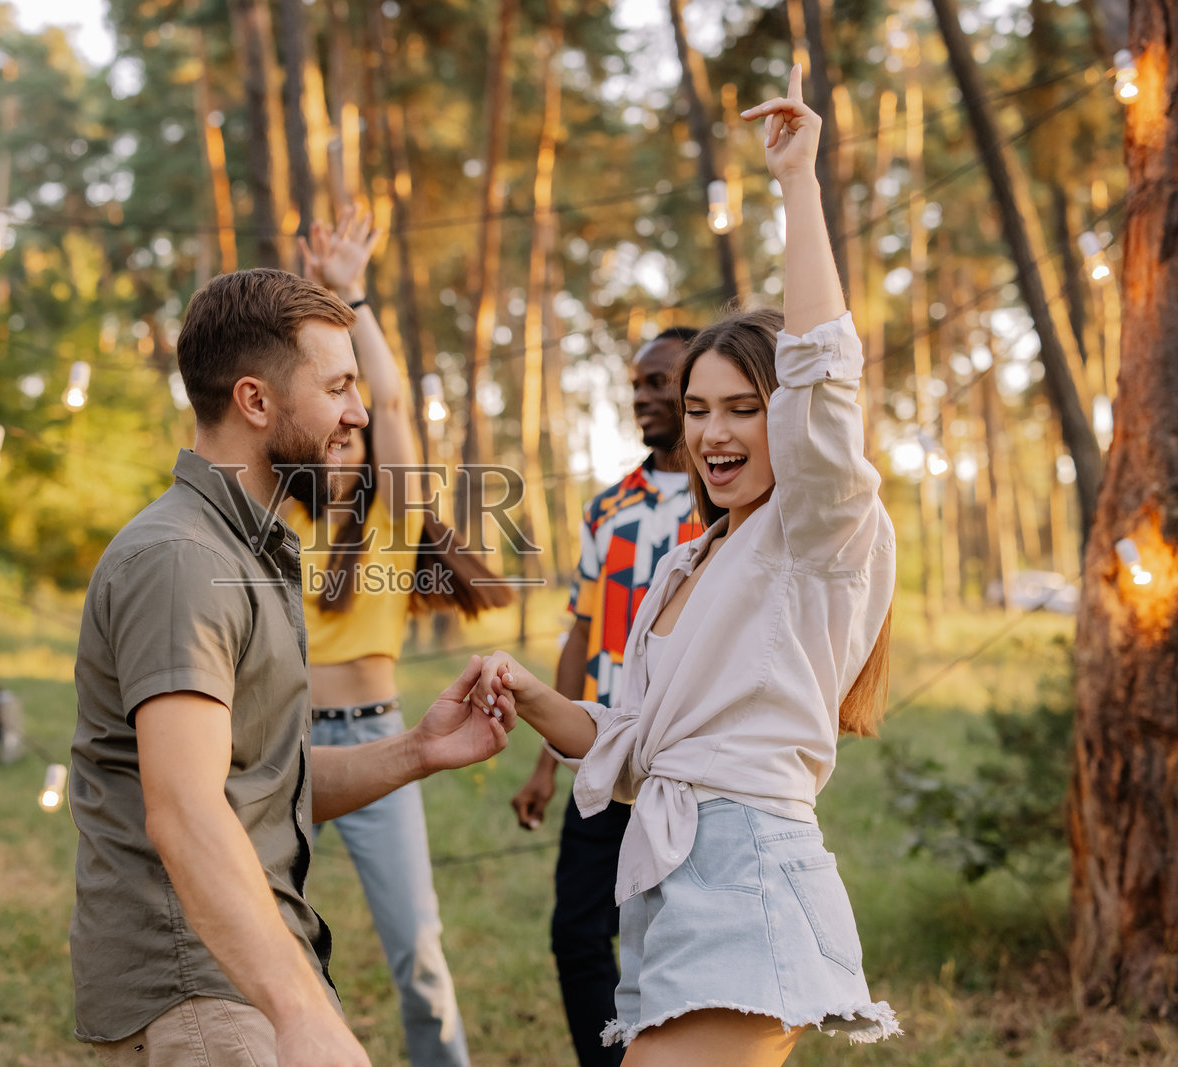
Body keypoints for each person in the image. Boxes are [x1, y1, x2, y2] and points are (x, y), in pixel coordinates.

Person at [469, 67, 900, 1064]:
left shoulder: (816, 526)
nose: (713, 432)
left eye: (741, 408)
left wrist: (796, 183)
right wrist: (531, 694)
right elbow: (631, 747)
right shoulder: (691, 555)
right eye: (698, 409)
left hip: (747, 876)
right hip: (667, 881)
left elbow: (822, 375)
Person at [70, 267, 511, 1067]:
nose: (358, 410)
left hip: (238, 974)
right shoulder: (184, 560)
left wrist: (416, 750)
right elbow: (188, 811)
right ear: (256, 401)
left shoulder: (248, 550)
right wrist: (298, 1008)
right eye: (338, 385)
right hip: (202, 989)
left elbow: (261, 784)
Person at [285, 207, 512, 1067]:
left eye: (358, 425)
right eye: (330, 420)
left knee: (417, 950)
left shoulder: (392, 514)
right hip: (282, 745)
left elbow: (386, 395)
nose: (349, 429)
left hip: (379, 737)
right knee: (270, 949)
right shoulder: (273, 515)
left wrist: (352, 296)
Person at [508, 324, 705, 1067]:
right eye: (637, 385)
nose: (644, 398)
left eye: (661, 382)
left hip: (685, 765)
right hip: (603, 756)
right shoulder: (607, 509)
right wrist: (545, 764)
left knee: (672, 938)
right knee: (577, 933)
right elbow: (580, 634)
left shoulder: (731, 504)